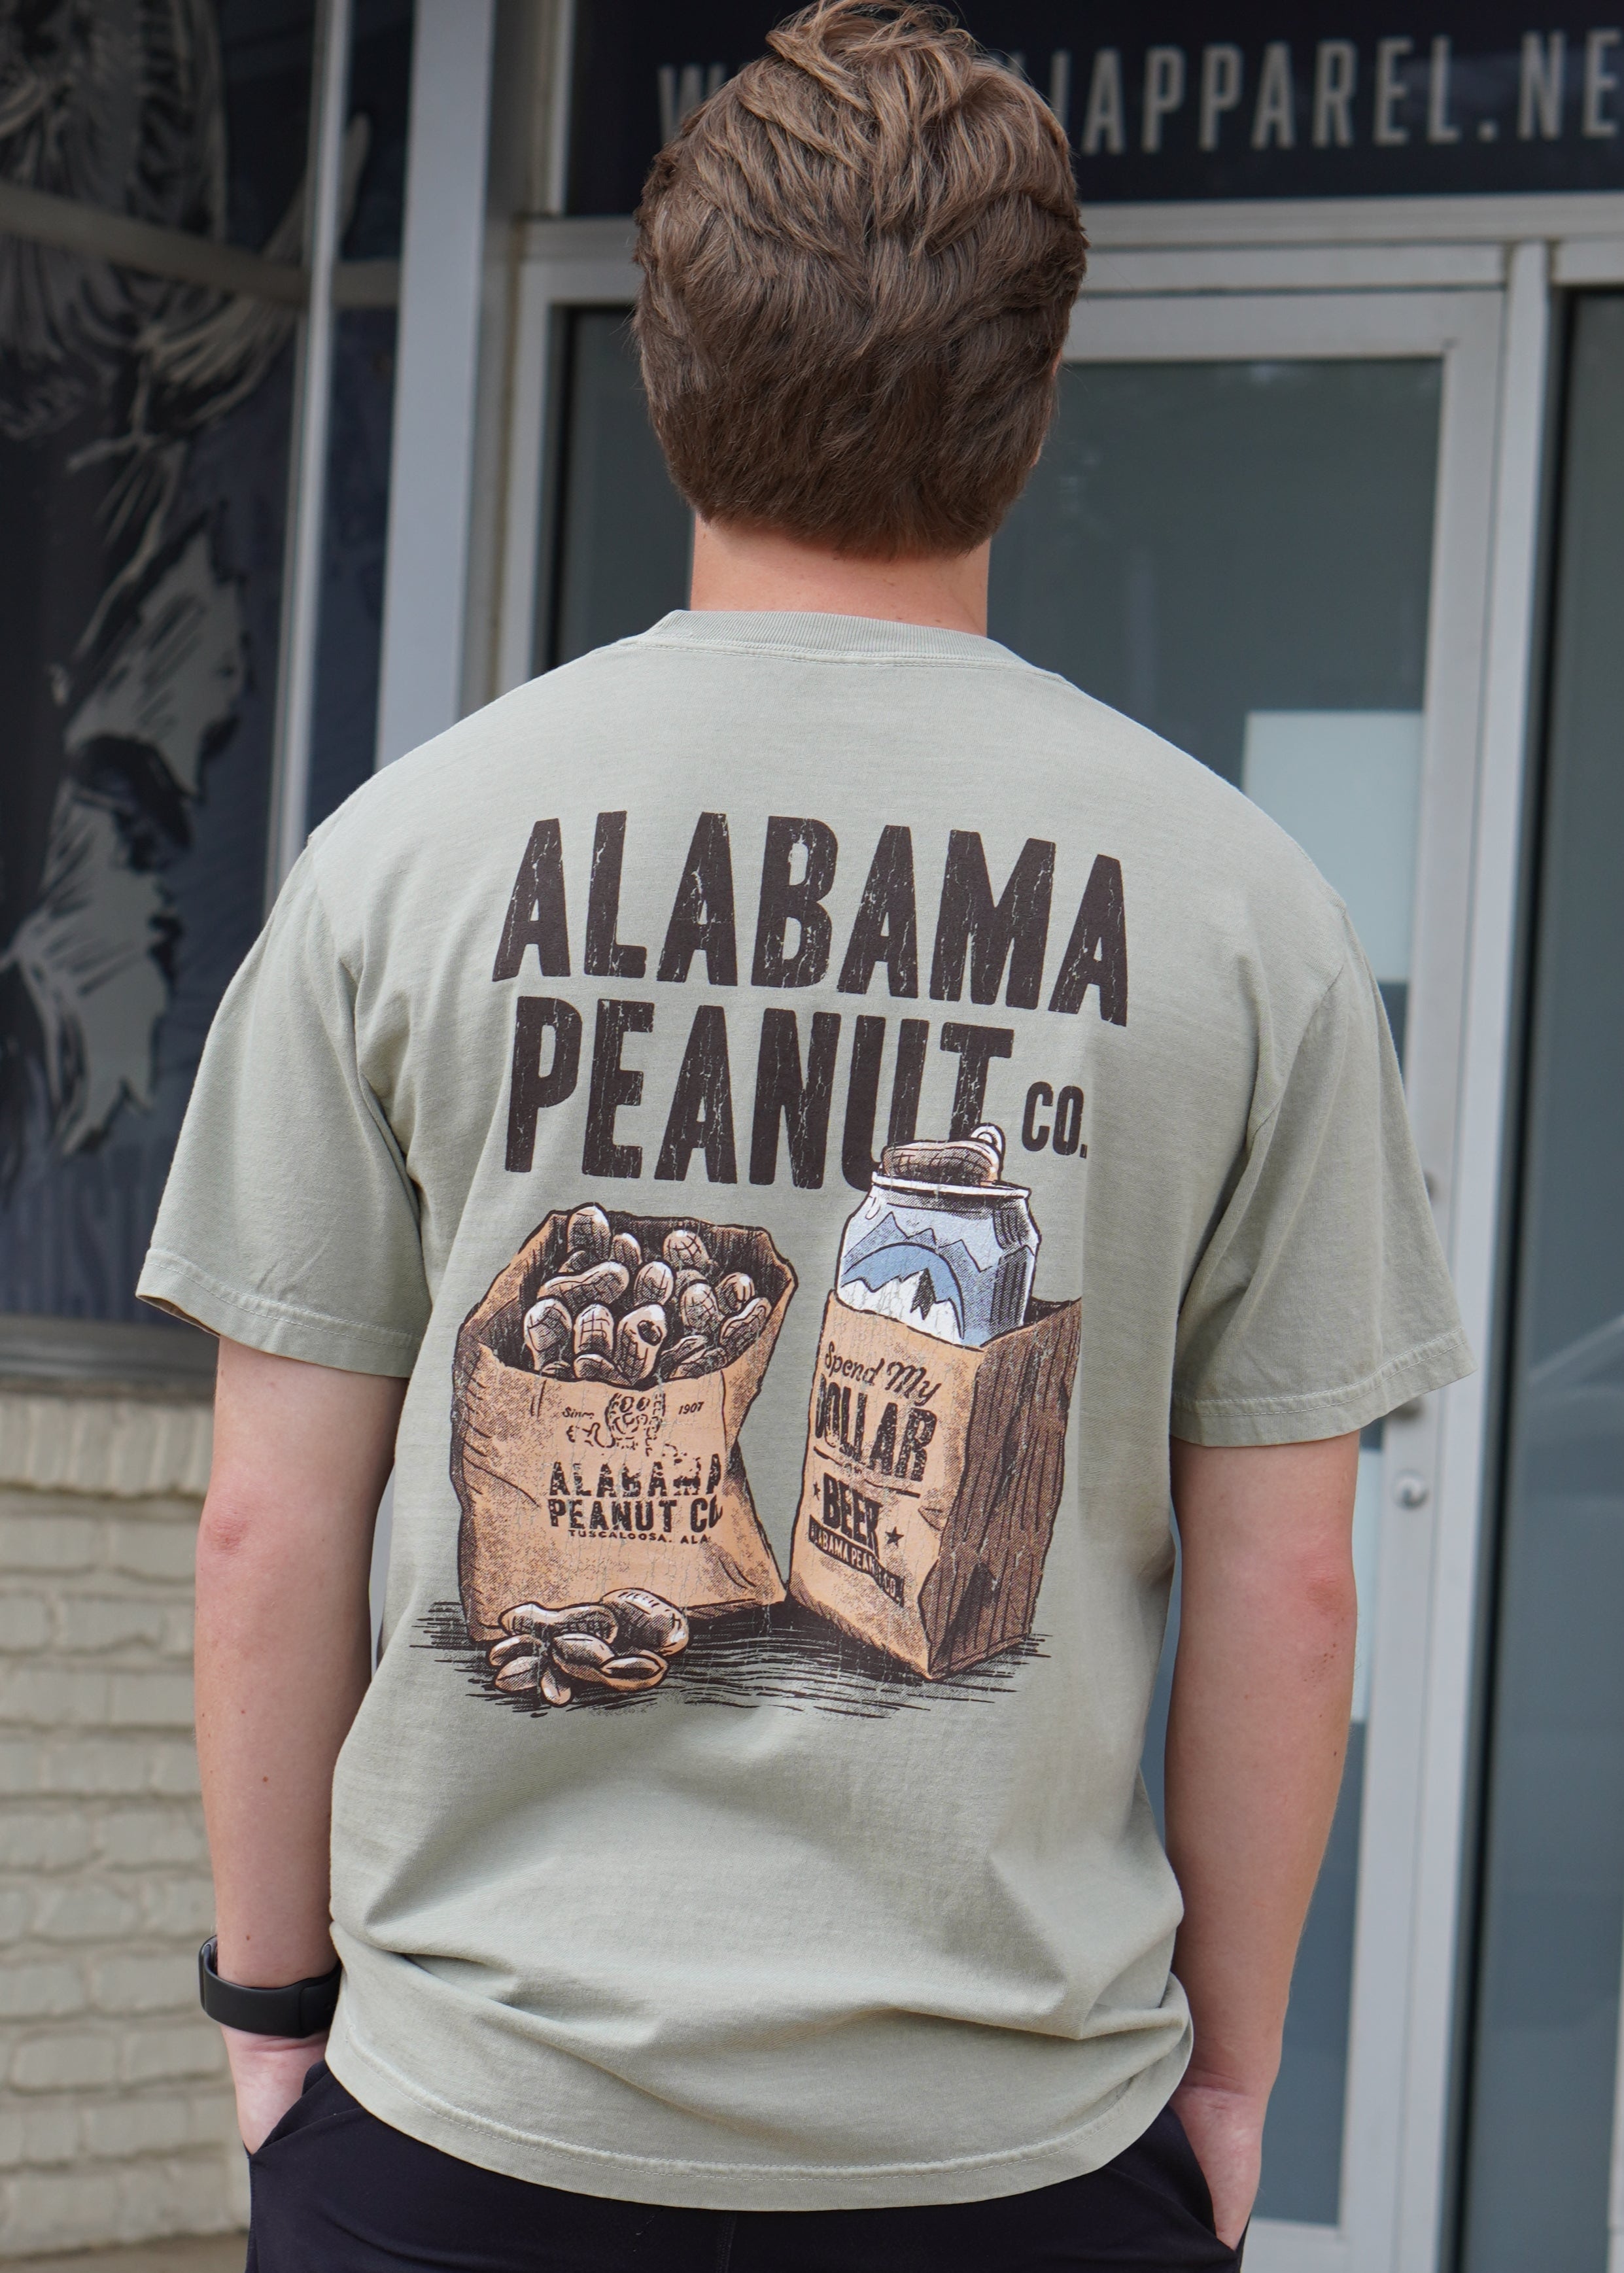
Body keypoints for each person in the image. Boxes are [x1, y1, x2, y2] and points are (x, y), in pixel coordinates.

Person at [140, 7, 1474, 2267]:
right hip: (1019, 2156)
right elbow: (1291, 1575)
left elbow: (271, 1521)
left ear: (667, 370)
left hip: (470, 2127)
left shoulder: (407, 859)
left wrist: (272, 2017)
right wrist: (1227, 2082)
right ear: (1035, 405)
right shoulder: (1243, 911)